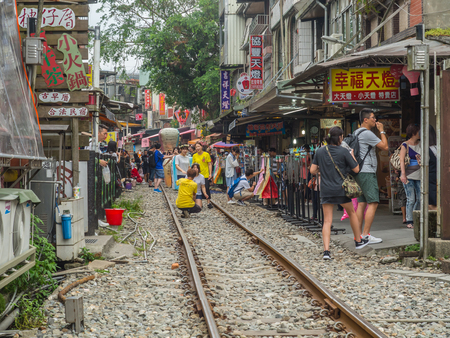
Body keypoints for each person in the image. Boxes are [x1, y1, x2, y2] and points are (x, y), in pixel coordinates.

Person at [310, 126, 369, 260]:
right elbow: (356, 169)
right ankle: (358, 241)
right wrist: (352, 155)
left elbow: (312, 170)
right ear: (340, 137)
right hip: (341, 189)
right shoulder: (344, 151)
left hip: (326, 190)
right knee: (352, 213)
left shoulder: (320, 151)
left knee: (327, 221)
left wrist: (323, 171)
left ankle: (326, 252)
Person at [354, 109, 388, 244]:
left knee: (362, 203)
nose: (375, 120)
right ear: (365, 120)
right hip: (367, 172)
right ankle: (366, 235)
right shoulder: (367, 134)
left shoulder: (356, 133)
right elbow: (384, 146)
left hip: (359, 172)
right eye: (373, 118)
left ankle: (358, 236)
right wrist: (382, 131)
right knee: (373, 202)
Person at [400, 124, 421, 229]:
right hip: (408, 175)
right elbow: (402, 161)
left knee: (421, 198)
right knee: (411, 198)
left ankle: (416, 216)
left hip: (420, 175)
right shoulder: (405, 145)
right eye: (418, 132)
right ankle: (409, 220)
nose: (420, 133)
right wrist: (403, 175)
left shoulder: (421, 144)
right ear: (413, 133)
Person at [192, 142, 213, 209]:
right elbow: (193, 166)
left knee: (206, 188)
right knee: (197, 188)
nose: (197, 148)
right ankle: (197, 201)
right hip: (197, 175)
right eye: (196, 147)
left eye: (198, 146)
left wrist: (210, 173)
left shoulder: (206, 154)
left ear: (201, 146)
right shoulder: (194, 155)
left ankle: (208, 202)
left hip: (205, 174)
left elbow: (209, 164)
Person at [429, 126, 437, 210]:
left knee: (431, 202)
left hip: (430, 177)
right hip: (438, 175)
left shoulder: (427, 150)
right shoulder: (438, 147)